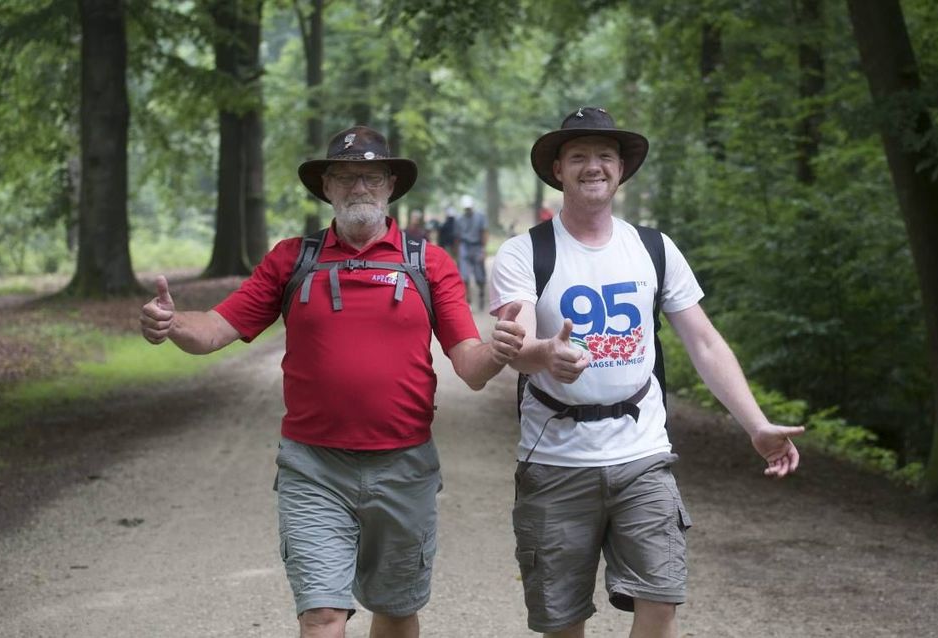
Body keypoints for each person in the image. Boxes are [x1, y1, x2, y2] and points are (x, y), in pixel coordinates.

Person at [139, 125, 525, 638]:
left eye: (369, 176)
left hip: (404, 466)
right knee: (322, 615)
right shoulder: (292, 259)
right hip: (313, 469)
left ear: (390, 185)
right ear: (326, 189)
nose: (357, 187)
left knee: (395, 608)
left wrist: (500, 350)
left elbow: (470, 366)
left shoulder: (427, 262)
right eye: (344, 177)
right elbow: (214, 330)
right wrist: (174, 324)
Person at [488, 107, 805, 638]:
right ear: (558, 170)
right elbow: (513, 342)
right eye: (580, 156)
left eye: (605, 156)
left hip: (642, 455)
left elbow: (704, 342)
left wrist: (757, 426)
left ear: (621, 170)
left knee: (660, 598)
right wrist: (544, 354)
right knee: (562, 621)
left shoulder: (654, 249)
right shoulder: (525, 253)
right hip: (554, 461)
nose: (595, 166)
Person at [454, 194, 489, 310]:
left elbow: (484, 233)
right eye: (466, 208)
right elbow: (458, 237)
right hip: (465, 246)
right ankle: (468, 299)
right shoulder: (459, 219)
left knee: (479, 276)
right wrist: (458, 254)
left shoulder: (480, 217)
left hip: (477, 246)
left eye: (469, 208)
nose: (468, 210)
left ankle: (481, 292)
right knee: (464, 276)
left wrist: (483, 250)